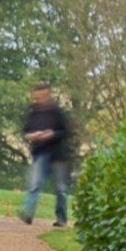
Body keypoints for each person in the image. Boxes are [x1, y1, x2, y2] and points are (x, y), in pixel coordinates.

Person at [17, 84, 81, 227]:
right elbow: (26, 132)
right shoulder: (33, 112)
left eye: (43, 96)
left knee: (61, 189)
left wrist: (53, 134)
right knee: (34, 184)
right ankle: (28, 213)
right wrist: (33, 135)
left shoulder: (57, 112)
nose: (40, 99)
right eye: (38, 97)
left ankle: (61, 219)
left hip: (58, 154)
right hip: (40, 153)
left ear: (48, 95)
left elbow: (66, 131)